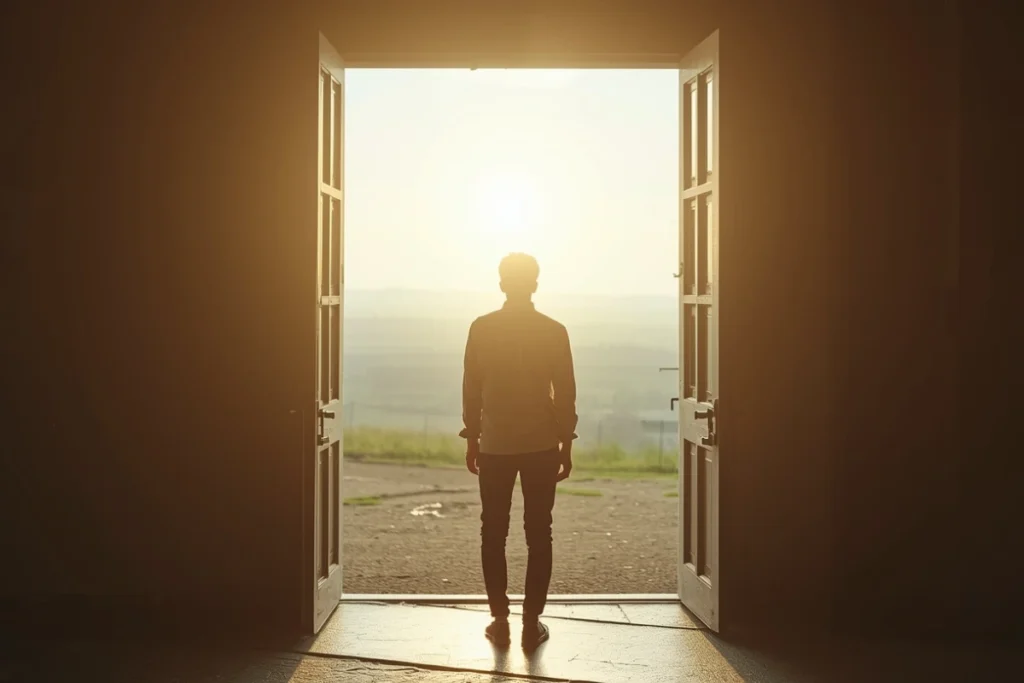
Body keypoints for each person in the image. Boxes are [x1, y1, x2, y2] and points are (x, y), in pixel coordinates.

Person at [460, 252, 578, 650]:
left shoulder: (482, 328)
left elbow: (471, 389)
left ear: (501, 283)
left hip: (494, 444)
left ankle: (499, 620)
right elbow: (565, 391)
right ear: (536, 284)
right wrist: (566, 441)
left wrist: (474, 437)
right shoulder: (553, 330)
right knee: (538, 533)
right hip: (542, 444)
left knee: (492, 532)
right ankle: (532, 621)